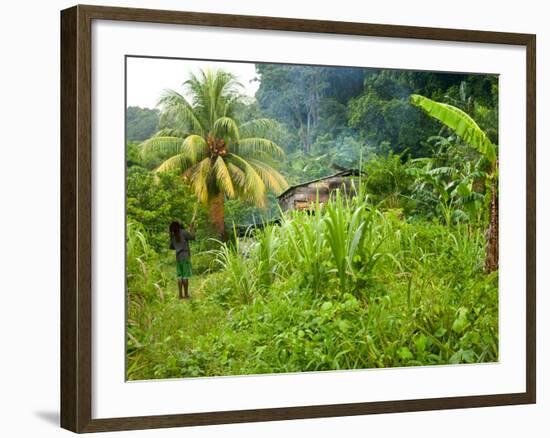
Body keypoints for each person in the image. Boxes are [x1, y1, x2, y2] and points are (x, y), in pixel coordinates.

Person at [169, 220, 196, 299]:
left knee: (180, 276)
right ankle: (186, 295)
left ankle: (180, 295)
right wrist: (192, 228)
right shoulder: (184, 232)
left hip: (178, 258)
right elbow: (192, 237)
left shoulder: (173, 236)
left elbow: (171, 247)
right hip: (185, 256)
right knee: (185, 276)